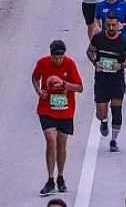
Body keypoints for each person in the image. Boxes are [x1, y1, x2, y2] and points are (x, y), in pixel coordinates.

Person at [32, 40, 84, 197]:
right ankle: (50, 180)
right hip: (46, 109)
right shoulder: (42, 63)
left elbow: (80, 87)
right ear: (51, 55)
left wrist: (65, 85)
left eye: (60, 58)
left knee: (61, 145)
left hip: (65, 110)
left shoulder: (70, 64)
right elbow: (35, 77)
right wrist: (38, 91)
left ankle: (60, 177)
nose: (58, 60)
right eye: (55, 58)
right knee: (50, 139)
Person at [88, 13, 126, 153]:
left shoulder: (124, 41)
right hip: (101, 80)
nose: (110, 28)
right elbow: (89, 52)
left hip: (116, 80)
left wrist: (121, 66)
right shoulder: (98, 38)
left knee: (117, 112)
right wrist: (94, 62)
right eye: (108, 25)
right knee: (100, 112)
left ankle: (114, 140)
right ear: (104, 25)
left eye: (113, 25)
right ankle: (104, 122)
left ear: (118, 25)